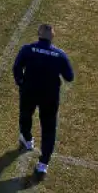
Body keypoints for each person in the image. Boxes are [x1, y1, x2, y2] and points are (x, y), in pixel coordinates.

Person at [13, 24, 75, 183]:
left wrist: (21, 82)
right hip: (49, 96)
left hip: (29, 91)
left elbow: (17, 67)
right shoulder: (60, 54)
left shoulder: (27, 49)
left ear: (38, 34)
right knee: (48, 128)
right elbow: (69, 77)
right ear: (52, 37)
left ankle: (27, 139)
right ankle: (43, 164)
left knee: (25, 115)